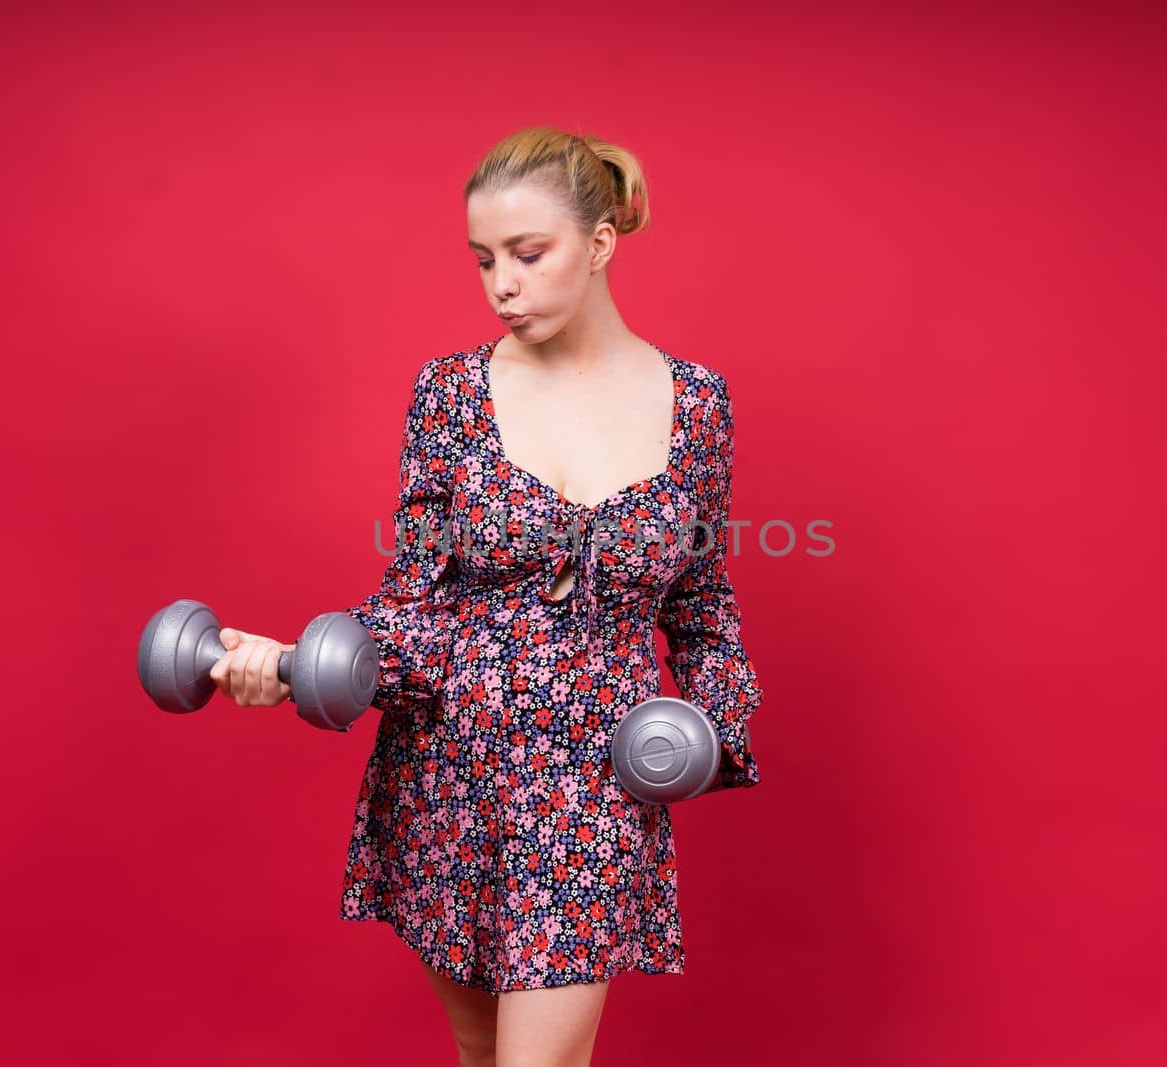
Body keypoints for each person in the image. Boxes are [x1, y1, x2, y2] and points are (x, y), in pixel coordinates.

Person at [209, 126, 764, 1067]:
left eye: (527, 253)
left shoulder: (697, 403)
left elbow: (704, 606)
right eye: (483, 260)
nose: (501, 283)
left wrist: (708, 727)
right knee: (480, 1053)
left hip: (596, 785)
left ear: (599, 243)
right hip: (449, 771)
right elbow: (413, 607)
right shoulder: (451, 395)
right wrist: (303, 668)